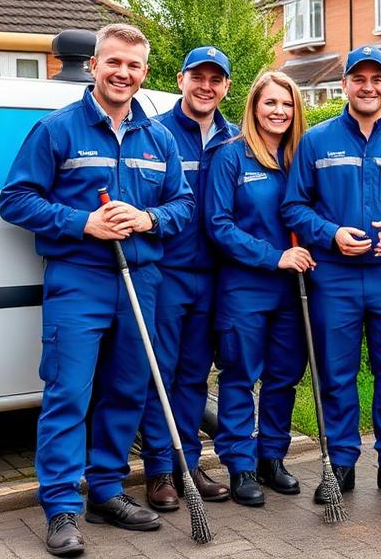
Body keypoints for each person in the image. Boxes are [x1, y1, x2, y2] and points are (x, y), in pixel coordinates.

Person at [0, 23, 194, 557]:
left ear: (145, 72)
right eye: (114, 63)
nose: (123, 73)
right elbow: (15, 199)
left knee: (127, 390)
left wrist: (148, 217)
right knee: (69, 394)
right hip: (79, 279)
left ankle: (107, 490)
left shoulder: (160, 140)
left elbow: (184, 206)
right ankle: (62, 507)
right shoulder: (57, 129)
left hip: (142, 280)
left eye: (133, 66)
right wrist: (83, 223)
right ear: (96, 65)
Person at [282, 45, 381, 503]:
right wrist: (329, 234)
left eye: (377, 78)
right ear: (344, 84)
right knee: (336, 373)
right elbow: (294, 205)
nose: (367, 86)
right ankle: (341, 464)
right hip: (335, 276)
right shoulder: (316, 141)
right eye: (358, 78)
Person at [205, 71, 313, 506]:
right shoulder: (231, 156)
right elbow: (218, 225)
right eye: (270, 103)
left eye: (286, 104)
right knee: (240, 376)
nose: (279, 111)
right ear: (254, 106)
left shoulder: (302, 156)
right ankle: (240, 464)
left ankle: (272, 456)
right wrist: (273, 257)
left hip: (295, 289)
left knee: (284, 376)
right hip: (246, 286)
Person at [138, 46, 236, 511]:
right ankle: (158, 471)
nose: (206, 86)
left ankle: (188, 464)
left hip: (214, 276)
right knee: (162, 374)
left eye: (216, 79)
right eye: (198, 76)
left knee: (195, 377)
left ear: (226, 88)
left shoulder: (236, 140)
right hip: (166, 273)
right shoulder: (155, 136)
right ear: (181, 80)